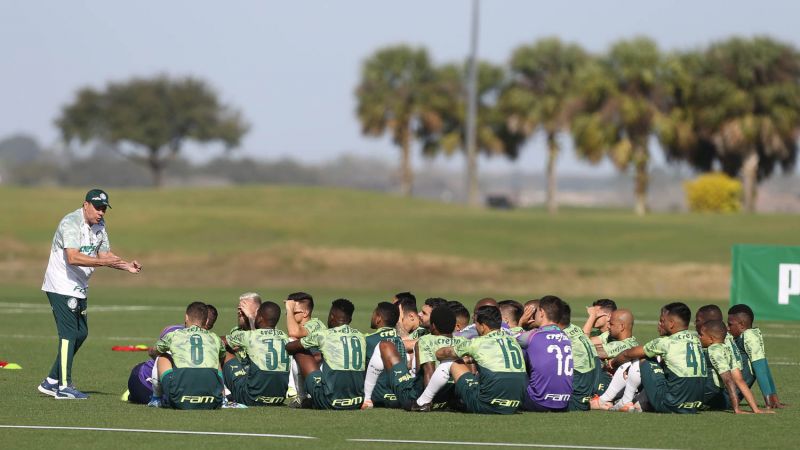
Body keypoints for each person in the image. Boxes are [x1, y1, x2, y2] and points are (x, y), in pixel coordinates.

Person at [38, 188, 142, 400]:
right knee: (68, 334)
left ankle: (51, 381)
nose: (101, 212)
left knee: (81, 333)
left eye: (104, 208)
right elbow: (73, 257)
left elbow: (105, 255)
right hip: (61, 284)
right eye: (97, 207)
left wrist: (126, 265)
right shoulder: (70, 222)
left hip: (79, 285)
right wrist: (103, 262)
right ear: (86, 204)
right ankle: (64, 387)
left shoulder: (100, 226)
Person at [610, 302, 706, 414]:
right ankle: (640, 403)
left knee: (644, 358)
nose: (659, 324)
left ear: (671, 324)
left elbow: (628, 354)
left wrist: (612, 363)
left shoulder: (666, 342)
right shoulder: (696, 340)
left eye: (662, 320)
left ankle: (624, 401)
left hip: (671, 405)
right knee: (663, 364)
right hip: (695, 405)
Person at [434, 305, 527, 414]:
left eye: (476, 325)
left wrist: (436, 351)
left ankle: (424, 401)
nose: (475, 327)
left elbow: (444, 353)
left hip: (486, 405)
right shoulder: (513, 340)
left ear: (483, 326)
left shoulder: (478, 342)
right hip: (514, 405)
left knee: (453, 363)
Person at [286, 299, 366, 410]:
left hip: (330, 401)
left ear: (331, 317)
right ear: (350, 319)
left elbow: (290, 347)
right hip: (357, 401)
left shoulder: (324, 335)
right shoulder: (361, 336)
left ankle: (302, 398)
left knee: (299, 350)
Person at [153, 302, 226, 410]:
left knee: (162, 356)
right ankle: (223, 400)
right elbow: (223, 355)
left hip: (178, 400)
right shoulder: (215, 338)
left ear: (186, 317)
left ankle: (156, 400)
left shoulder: (175, 335)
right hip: (213, 401)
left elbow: (154, 351)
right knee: (216, 360)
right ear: (206, 321)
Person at [223, 301, 290, 406]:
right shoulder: (285, 337)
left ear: (260, 318)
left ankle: (221, 394)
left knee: (224, 350)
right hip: (279, 398)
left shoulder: (250, 336)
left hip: (251, 398)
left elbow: (220, 341)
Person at [698, 320, 771, 414]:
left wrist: (736, 409)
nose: (699, 337)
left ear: (711, 339)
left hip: (705, 391)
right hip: (714, 394)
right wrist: (755, 409)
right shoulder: (727, 350)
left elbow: (728, 380)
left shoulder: (714, 351)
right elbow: (740, 380)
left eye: (701, 335)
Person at [518, 295, 573, 412]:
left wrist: (520, 323)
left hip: (537, 402)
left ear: (542, 312)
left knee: (515, 353)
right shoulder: (566, 337)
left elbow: (509, 340)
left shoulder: (533, 336)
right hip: (564, 403)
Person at [728, 304, 784, 409]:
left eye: (730, 324)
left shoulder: (749, 337)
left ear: (742, 325)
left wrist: (769, 401)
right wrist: (774, 399)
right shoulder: (748, 335)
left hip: (729, 395)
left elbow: (761, 369)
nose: (728, 328)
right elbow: (764, 368)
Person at [591, 309, 639, 409]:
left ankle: (603, 400)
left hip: (609, 387)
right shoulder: (627, 341)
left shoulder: (623, 345)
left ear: (621, 326)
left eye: (611, 324)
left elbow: (589, 349)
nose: (608, 326)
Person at [362, 302, 407, 408]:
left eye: (374, 314)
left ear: (378, 318)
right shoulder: (400, 340)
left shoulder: (368, 340)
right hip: (399, 397)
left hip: (378, 398)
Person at [124, 325, 182, 405]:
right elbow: (157, 355)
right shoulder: (175, 331)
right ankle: (136, 395)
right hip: (143, 378)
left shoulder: (174, 329)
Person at [559, 301, 600, 411]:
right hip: (587, 392)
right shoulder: (574, 328)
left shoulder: (559, 336)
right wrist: (592, 316)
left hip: (574, 399)